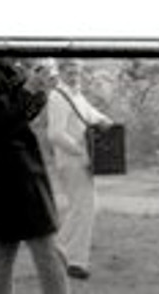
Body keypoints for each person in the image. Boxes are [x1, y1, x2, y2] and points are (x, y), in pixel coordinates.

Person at [0, 58, 96, 294]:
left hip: (4, 177)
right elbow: (1, 122)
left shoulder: (6, 72)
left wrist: (39, 90)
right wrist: (31, 87)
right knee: (47, 252)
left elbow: (24, 115)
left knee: (0, 253)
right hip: (14, 176)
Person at [43, 59, 113, 280]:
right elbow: (54, 134)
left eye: (77, 72)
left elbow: (91, 115)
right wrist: (79, 152)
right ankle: (70, 260)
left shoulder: (76, 95)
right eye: (70, 72)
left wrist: (106, 122)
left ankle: (64, 257)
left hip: (81, 160)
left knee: (82, 208)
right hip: (72, 160)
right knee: (83, 208)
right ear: (61, 72)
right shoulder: (57, 97)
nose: (75, 76)